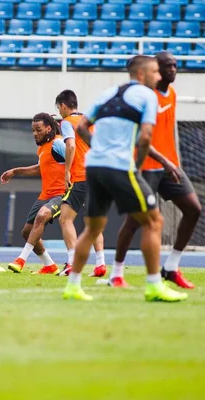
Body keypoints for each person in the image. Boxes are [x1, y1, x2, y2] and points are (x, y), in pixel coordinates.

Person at [62, 55, 187, 302]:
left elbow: (82, 127)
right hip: (119, 166)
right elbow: (145, 138)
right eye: (155, 72)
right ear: (141, 74)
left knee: (93, 227)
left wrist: (98, 147)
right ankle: (153, 286)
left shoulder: (107, 93)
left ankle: (72, 286)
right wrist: (137, 168)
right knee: (154, 221)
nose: (159, 76)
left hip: (94, 167)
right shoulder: (148, 96)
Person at [110, 52, 202, 289]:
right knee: (135, 220)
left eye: (175, 65)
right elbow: (142, 139)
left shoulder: (171, 93)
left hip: (170, 167)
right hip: (146, 167)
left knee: (193, 209)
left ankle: (171, 267)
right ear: (156, 70)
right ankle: (116, 273)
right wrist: (166, 161)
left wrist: (173, 161)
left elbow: (166, 132)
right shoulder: (145, 97)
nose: (173, 69)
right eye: (168, 66)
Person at [2, 113, 65, 275]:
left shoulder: (58, 143)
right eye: (33, 130)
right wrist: (16, 171)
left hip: (62, 194)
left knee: (42, 216)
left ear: (48, 128)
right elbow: (39, 169)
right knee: (26, 232)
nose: (35, 133)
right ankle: (49, 265)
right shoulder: (42, 148)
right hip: (45, 195)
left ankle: (21, 259)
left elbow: (75, 158)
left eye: (38, 130)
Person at [55, 90, 108, 278]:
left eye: (59, 109)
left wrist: (67, 170)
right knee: (91, 221)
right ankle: (100, 264)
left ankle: (71, 263)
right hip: (97, 175)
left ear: (63, 106)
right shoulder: (89, 120)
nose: (59, 113)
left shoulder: (67, 122)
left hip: (80, 175)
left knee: (65, 218)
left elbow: (70, 145)